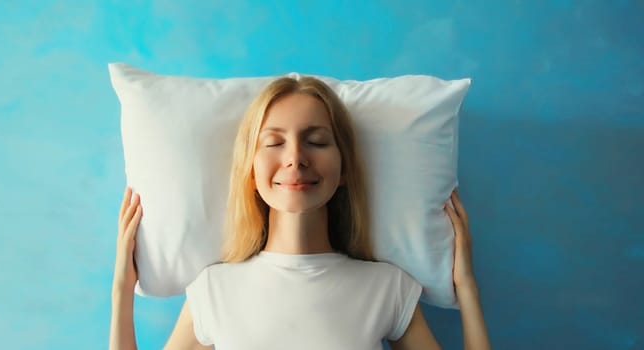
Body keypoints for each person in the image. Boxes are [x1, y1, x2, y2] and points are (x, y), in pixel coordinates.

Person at [109, 76, 491, 350]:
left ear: (344, 171)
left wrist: (468, 288)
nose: (295, 158)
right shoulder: (213, 291)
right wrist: (122, 288)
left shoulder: (388, 288)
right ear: (250, 172)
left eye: (317, 141)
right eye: (274, 142)